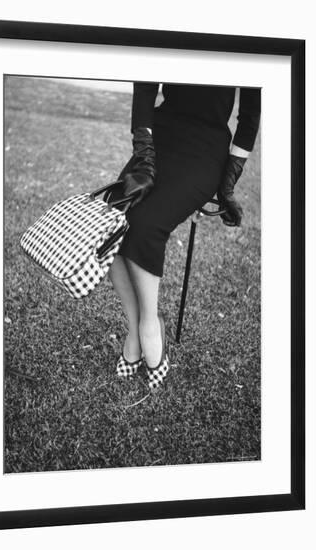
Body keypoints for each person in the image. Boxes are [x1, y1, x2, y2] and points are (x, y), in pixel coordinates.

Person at [109, 82, 261, 390]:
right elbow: (145, 84)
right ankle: (135, 328)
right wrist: (144, 150)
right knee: (111, 219)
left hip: (206, 148)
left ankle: (151, 325)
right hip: (160, 136)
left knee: (147, 226)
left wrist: (229, 178)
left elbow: (250, 115)